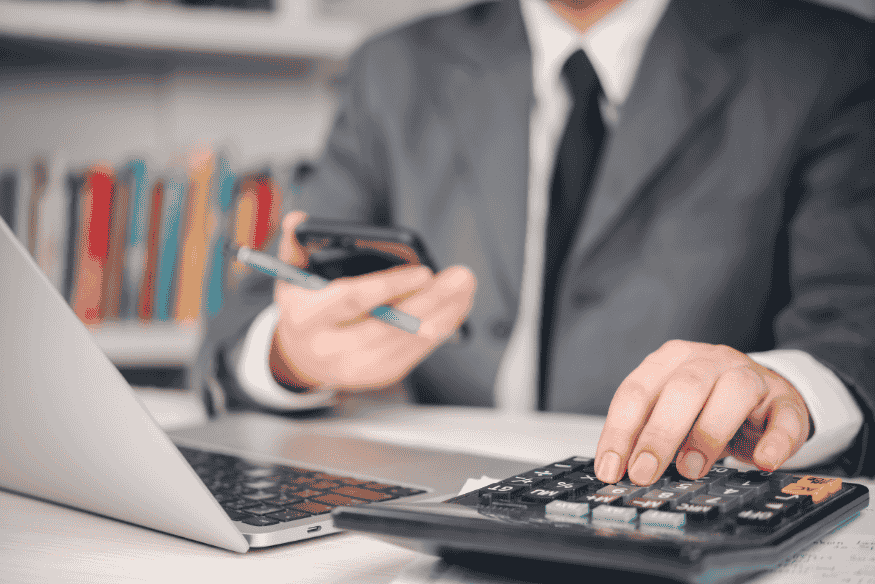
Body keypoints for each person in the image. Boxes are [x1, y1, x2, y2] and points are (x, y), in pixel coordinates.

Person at [194, 0, 875, 485]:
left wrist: (792, 390)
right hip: (432, 503)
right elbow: (240, 330)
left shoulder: (825, 59)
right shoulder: (393, 68)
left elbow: (855, 328)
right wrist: (293, 356)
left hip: (679, 500)